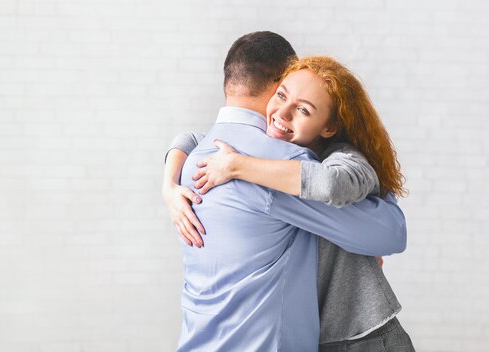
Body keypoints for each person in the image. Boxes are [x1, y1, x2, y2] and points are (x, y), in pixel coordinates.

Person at [162, 31, 407, 351]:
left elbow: (358, 204)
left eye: (304, 108)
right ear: (278, 83)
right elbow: (390, 231)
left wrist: (178, 181)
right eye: (283, 95)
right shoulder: (278, 160)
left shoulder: (203, 159)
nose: (283, 114)